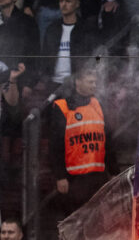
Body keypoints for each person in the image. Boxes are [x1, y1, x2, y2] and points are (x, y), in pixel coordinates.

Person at [47, 66, 109, 222]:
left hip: (97, 176)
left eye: (95, 82)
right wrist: (60, 176)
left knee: (96, 222)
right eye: (90, 82)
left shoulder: (98, 104)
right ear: (78, 82)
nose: (94, 85)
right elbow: (55, 146)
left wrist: (113, 170)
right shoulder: (62, 107)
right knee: (75, 222)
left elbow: (108, 139)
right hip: (74, 179)